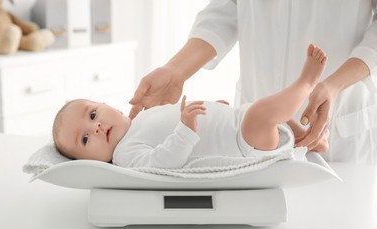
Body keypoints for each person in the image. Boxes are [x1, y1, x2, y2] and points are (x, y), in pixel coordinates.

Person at [129, 0, 377, 164]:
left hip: (341, 121)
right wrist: (176, 70)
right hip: (254, 128)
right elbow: (226, 11)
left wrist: (334, 85)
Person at [52, 45, 326, 168]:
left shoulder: (140, 122)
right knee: (261, 114)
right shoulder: (125, 155)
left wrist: (213, 111)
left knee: (258, 110)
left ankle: (305, 140)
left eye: (92, 114)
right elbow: (161, 162)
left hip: (233, 123)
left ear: (106, 104)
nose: (96, 127)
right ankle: (306, 83)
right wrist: (185, 129)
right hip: (242, 145)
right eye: (85, 138)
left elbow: (181, 119)